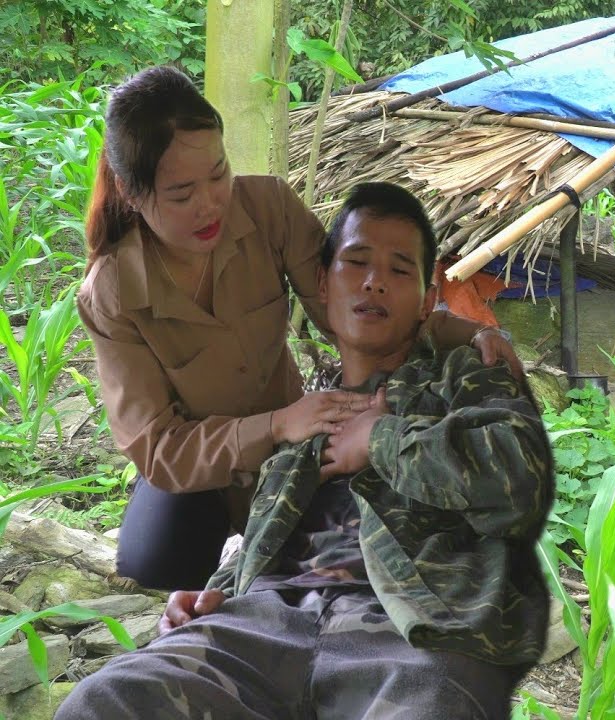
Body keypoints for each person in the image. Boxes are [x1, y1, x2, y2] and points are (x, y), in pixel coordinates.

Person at [56, 182, 553, 720]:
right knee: (104, 701)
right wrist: (213, 593)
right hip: (266, 625)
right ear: (322, 282)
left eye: (399, 271)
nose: (374, 282)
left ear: (427, 297)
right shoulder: (304, 410)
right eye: (356, 262)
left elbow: (520, 480)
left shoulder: (464, 375)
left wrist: (382, 440)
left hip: (413, 636)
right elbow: (261, 528)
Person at [79, 65, 521, 590]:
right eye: (181, 194)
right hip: (201, 466)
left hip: (297, 436)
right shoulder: (112, 292)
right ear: (133, 194)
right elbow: (160, 450)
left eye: (219, 173)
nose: (210, 204)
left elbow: (357, 307)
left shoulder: (267, 208)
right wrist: (273, 425)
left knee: (349, 550)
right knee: (154, 565)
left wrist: (468, 333)